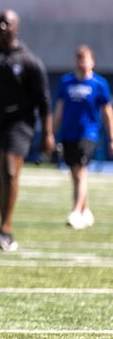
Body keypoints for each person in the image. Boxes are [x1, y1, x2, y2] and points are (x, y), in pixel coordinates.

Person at [0, 9, 55, 251]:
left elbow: (45, 102)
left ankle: (5, 229)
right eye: (0, 22)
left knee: (10, 169)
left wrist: (48, 134)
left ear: (17, 27)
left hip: (20, 123)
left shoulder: (29, 60)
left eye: (8, 23)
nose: (3, 26)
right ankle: (3, 227)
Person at [53, 45, 113, 230]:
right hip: (69, 133)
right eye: (79, 59)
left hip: (88, 133)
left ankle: (76, 211)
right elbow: (59, 109)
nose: (82, 62)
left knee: (81, 171)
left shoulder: (99, 84)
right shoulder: (66, 82)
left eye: (85, 58)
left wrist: (111, 136)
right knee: (74, 173)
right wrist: (52, 133)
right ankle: (86, 211)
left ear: (92, 62)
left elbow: (107, 111)